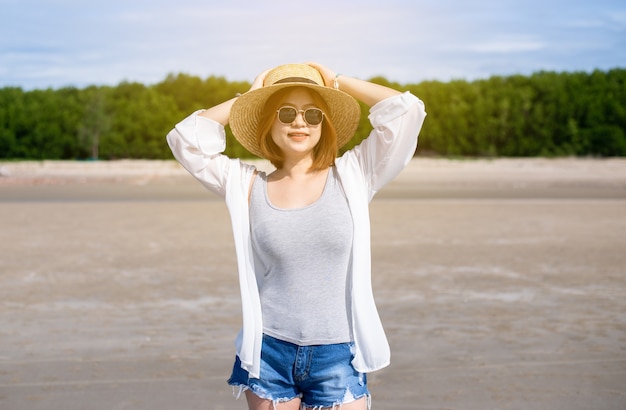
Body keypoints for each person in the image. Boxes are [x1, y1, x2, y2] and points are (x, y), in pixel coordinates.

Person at [166, 63, 426, 410]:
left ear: (324, 124)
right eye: (286, 112)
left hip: (339, 354)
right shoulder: (245, 185)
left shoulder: (355, 174)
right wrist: (247, 99)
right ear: (269, 122)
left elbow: (407, 112)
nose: (299, 122)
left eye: (313, 114)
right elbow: (186, 141)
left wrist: (337, 82)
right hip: (268, 352)